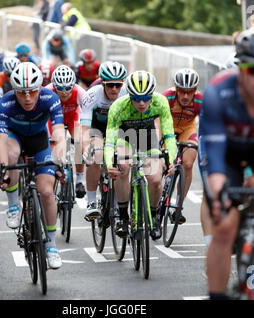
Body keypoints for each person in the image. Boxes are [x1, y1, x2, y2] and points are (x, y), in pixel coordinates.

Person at [199, 27, 254, 300]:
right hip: (228, 155)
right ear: (240, 69)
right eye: (252, 69)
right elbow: (214, 155)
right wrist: (219, 195)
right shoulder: (217, 93)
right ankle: (217, 294)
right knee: (224, 222)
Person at [0, 62, 66, 269]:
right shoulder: (4, 104)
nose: (27, 98)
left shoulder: (50, 98)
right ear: (14, 90)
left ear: (40, 88)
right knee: (12, 154)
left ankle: (51, 245)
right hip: (14, 138)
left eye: (32, 92)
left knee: (46, 192)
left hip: (39, 140)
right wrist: (2, 169)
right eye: (21, 93)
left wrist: (60, 160)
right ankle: (13, 205)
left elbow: (59, 133)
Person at [104, 70, 177, 239]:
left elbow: (169, 135)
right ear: (130, 96)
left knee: (156, 179)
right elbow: (109, 142)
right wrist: (109, 164)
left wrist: (171, 160)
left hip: (148, 137)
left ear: (152, 95)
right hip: (125, 137)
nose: (142, 103)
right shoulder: (118, 107)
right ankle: (123, 217)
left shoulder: (160, 102)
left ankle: (154, 216)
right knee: (122, 166)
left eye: (146, 97)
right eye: (136, 98)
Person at [80, 61, 128, 221]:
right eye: (110, 85)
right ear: (102, 83)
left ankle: (117, 202)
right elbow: (85, 128)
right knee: (96, 155)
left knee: (124, 160)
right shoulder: (92, 95)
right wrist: (86, 148)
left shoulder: (128, 93)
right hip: (97, 129)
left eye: (118, 85)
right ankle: (92, 202)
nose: (114, 89)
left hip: (119, 130)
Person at [162, 68, 202, 225]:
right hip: (168, 129)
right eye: (182, 91)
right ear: (176, 89)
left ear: (195, 90)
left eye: (190, 91)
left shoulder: (200, 101)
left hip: (187, 129)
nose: (185, 96)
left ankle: (179, 206)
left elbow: (206, 125)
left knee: (188, 163)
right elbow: (157, 121)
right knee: (163, 161)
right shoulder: (167, 97)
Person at [46, 65, 86, 198]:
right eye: (60, 89)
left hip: (72, 118)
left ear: (73, 85)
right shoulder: (47, 91)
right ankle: (55, 170)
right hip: (54, 120)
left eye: (68, 88)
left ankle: (79, 180)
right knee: (54, 145)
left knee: (80, 141)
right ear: (54, 86)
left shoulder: (79, 92)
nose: (64, 92)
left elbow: (87, 112)